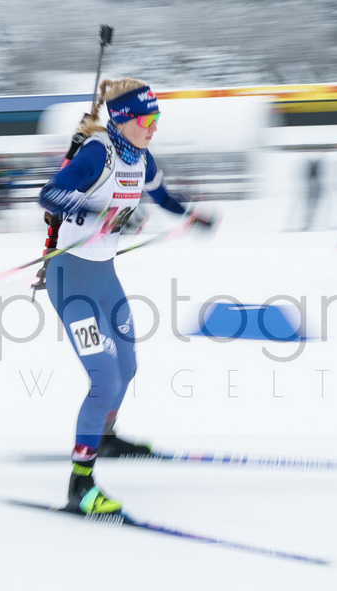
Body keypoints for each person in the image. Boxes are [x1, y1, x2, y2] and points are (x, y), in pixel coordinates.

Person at [37, 78, 216, 514]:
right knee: (105, 378)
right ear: (122, 119)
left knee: (128, 365)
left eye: (157, 119)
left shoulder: (141, 157)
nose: (154, 127)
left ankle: (107, 436)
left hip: (104, 277)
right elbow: (50, 193)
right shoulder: (99, 152)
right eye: (147, 119)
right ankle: (80, 485)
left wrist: (192, 213)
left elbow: (161, 195)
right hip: (71, 279)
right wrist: (102, 212)